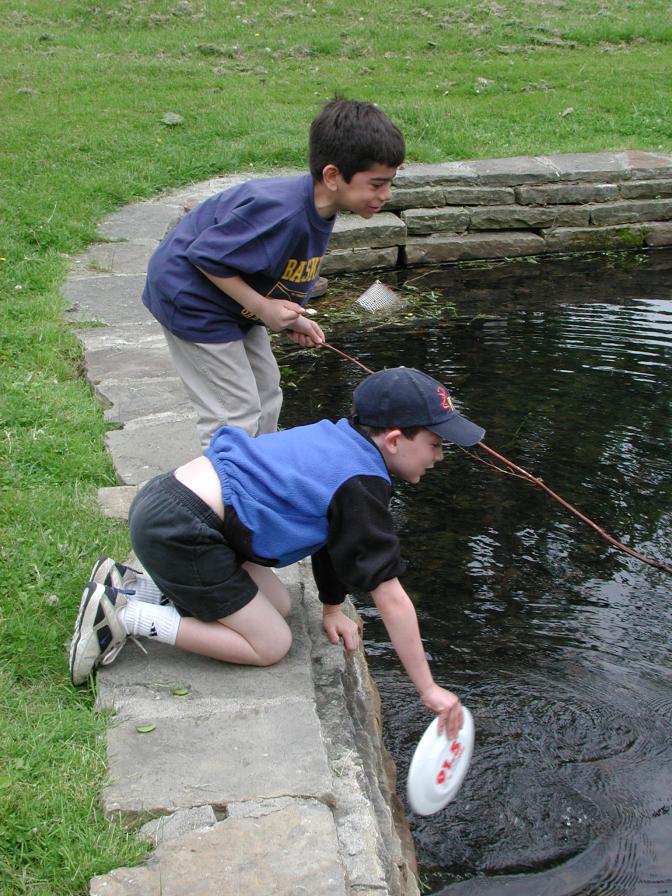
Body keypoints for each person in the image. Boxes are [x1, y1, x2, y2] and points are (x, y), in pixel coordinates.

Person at [69, 367, 485, 737]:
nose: (440, 456)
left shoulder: (342, 442)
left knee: (280, 602)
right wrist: (427, 688)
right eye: (435, 443)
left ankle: (136, 589)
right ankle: (124, 616)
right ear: (395, 440)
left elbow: (332, 538)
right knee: (271, 644)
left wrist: (331, 608)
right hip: (183, 533)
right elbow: (391, 598)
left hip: (170, 502)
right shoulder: (361, 482)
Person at [142, 98, 405, 446]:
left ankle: (258, 480)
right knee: (233, 414)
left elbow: (268, 269)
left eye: (389, 183)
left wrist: (290, 317)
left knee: (267, 396)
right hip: (192, 299)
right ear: (332, 176)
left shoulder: (321, 209)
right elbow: (205, 256)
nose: (386, 194)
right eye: (376, 184)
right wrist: (265, 309)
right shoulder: (283, 213)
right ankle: (220, 496)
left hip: (231, 301)